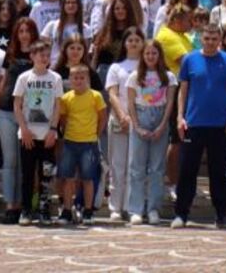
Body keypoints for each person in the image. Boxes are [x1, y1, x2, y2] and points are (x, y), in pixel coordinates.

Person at [173, 23, 226, 229]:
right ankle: (181, 214)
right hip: (193, 123)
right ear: (201, 39)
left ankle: (222, 214)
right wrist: (179, 117)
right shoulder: (189, 60)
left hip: (220, 124)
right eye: (207, 38)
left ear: (219, 40)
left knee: (219, 172)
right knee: (187, 170)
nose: (210, 43)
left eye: (214, 39)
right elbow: (183, 91)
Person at [122, 33, 172, 225]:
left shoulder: (168, 76)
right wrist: (137, 126)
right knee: (137, 167)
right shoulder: (135, 77)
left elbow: (169, 103)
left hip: (159, 116)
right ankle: (135, 208)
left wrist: (162, 125)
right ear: (143, 56)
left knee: (157, 167)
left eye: (154, 53)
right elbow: (131, 103)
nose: (151, 57)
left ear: (159, 56)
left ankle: (153, 208)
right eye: (147, 53)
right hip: (141, 117)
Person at [12, 40, 61, 224]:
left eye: (47, 55)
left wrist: (53, 130)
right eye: (40, 55)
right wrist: (23, 129)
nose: (44, 58)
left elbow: (57, 106)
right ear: (32, 56)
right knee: (27, 173)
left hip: (47, 135)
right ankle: (26, 209)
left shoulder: (54, 78)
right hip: (28, 135)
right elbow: (17, 105)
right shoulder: (24, 78)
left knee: (46, 175)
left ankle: (44, 209)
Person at [53, 62, 104, 224]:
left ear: (87, 78)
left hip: (89, 143)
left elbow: (102, 116)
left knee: (87, 179)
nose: (78, 81)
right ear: (70, 79)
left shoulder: (96, 96)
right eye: (75, 77)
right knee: (67, 178)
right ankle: (67, 211)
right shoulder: (66, 98)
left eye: (82, 77)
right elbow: (62, 119)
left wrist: (97, 134)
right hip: (70, 142)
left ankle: (88, 211)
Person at [101, 30, 145, 220]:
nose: (133, 43)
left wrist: (135, 119)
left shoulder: (147, 67)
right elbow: (112, 94)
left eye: (137, 40)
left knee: (134, 166)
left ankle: (131, 206)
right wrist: (122, 116)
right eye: (130, 40)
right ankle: (115, 207)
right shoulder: (116, 67)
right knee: (117, 164)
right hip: (119, 120)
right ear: (124, 44)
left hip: (141, 121)